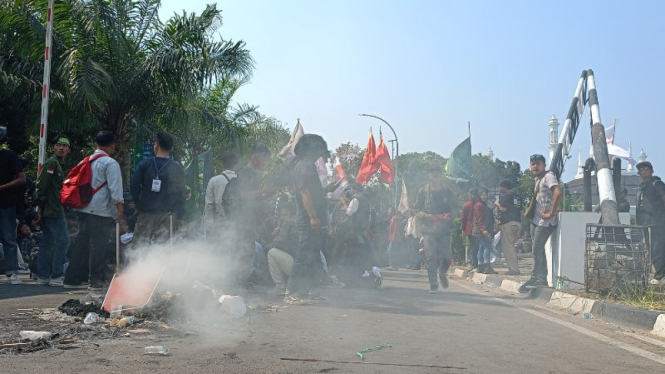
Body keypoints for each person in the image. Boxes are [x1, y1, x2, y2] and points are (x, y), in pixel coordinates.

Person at [64, 131, 124, 291]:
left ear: (96, 144)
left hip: (83, 208)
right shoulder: (110, 163)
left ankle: (72, 278)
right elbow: (115, 189)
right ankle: (95, 281)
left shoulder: (86, 160)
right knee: (98, 246)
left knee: (82, 243)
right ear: (112, 145)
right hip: (101, 210)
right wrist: (119, 209)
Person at [284, 134, 330, 305]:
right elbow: (305, 192)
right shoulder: (304, 166)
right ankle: (291, 291)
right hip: (307, 220)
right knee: (303, 255)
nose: (320, 154)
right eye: (319, 150)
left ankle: (313, 290)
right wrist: (312, 216)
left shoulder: (304, 165)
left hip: (312, 219)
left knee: (312, 256)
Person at [130, 131, 186, 247]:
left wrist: (138, 204)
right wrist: (180, 216)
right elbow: (181, 193)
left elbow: (134, 184)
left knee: (139, 246)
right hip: (168, 215)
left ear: (156, 145)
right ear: (171, 148)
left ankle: (138, 265)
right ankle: (160, 266)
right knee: (163, 248)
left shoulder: (145, 164)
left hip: (146, 213)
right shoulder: (177, 167)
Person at [520, 154, 562, 292]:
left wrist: (552, 213)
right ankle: (542, 279)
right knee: (539, 250)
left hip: (546, 222)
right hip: (536, 220)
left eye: (538, 163)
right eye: (532, 164)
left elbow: (558, 192)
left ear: (544, 165)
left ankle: (534, 277)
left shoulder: (548, 176)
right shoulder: (538, 179)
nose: (535, 166)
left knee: (536, 249)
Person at [234, 143, 274, 287]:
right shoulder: (245, 173)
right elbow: (242, 194)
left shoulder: (254, 175)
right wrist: (263, 191)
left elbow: (254, 199)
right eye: (265, 159)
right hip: (242, 221)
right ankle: (239, 283)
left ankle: (243, 281)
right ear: (256, 157)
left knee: (248, 252)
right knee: (244, 252)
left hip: (249, 221)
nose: (265, 163)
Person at [35, 134, 71, 286]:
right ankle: (56, 275)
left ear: (68, 149)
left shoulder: (57, 164)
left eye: (64, 146)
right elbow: (42, 187)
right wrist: (39, 208)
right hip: (53, 210)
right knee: (63, 240)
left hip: (53, 209)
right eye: (58, 145)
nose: (61, 148)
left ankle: (43, 275)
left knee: (47, 242)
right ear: (53, 148)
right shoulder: (51, 163)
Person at [413, 164, 454, 294]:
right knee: (430, 257)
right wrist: (427, 216)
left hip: (444, 228)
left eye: (437, 172)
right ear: (428, 175)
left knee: (447, 256)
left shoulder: (447, 191)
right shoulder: (422, 191)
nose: (434, 174)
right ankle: (433, 284)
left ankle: (442, 273)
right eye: (432, 172)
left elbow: (454, 208)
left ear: (441, 175)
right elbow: (415, 210)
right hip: (429, 229)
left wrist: (449, 215)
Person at [0, 126, 27, 285]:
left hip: (6, 204)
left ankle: (11, 272)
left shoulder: (10, 156)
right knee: (9, 238)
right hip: (7, 204)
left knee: (9, 238)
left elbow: (21, 178)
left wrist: (2, 187)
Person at [635, 161, 665, 283]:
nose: (643, 171)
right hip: (645, 222)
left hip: (657, 222)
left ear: (652, 171)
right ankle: (659, 274)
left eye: (646, 169)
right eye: (640, 170)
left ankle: (660, 276)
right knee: (651, 250)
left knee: (658, 249)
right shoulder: (642, 186)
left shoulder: (657, 184)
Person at [204, 152, 239, 232]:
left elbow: (209, 205)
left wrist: (209, 226)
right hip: (238, 226)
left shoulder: (214, 181)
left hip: (219, 226)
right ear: (236, 165)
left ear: (222, 165)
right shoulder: (241, 180)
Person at [495, 180, 522, 275]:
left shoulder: (507, 195)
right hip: (517, 223)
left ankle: (513, 270)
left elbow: (503, 209)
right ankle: (515, 267)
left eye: (500, 187)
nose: (499, 189)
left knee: (508, 248)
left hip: (508, 224)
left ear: (503, 187)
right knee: (512, 247)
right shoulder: (517, 195)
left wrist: (497, 203)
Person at [473, 188, 496, 274]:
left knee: (481, 248)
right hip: (482, 230)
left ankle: (481, 267)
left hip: (482, 229)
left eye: (485, 195)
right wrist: (484, 230)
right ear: (479, 196)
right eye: (482, 195)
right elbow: (480, 219)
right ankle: (487, 267)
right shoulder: (479, 205)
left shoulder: (482, 205)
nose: (484, 196)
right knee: (487, 247)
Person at [460, 189, 479, 268]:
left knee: (473, 246)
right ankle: (478, 263)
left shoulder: (466, 205)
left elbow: (463, 219)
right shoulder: (480, 204)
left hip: (470, 228)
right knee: (478, 246)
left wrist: (463, 230)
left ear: (470, 195)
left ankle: (474, 263)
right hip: (480, 228)